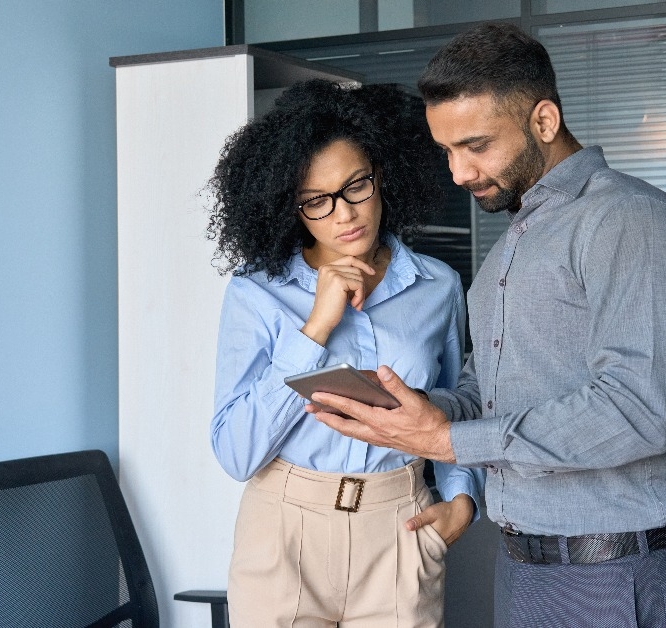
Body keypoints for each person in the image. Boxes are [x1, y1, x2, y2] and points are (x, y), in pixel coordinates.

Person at [310, 23, 666, 627]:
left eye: (475, 146)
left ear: (544, 121)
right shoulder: (510, 247)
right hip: (527, 569)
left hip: (618, 574)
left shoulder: (630, 221)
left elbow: (636, 412)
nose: (458, 173)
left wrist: (447, 443)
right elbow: (491, 388)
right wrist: (419, 409)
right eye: (446, 151)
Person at [207, 79, 483, 627]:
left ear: (383, 177)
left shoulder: (438, 286)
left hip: (400, 527)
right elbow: (236, 454)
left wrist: (462, 499)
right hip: (285, 532)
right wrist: (315, 327)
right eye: (316, 201)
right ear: (292, 208)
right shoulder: (255, 293)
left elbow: (458, 404)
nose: (343, 214)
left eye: (356, 185)